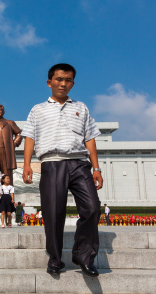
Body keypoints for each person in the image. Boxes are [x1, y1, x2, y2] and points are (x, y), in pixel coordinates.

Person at [22, 63, 103, 278]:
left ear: (73, 84)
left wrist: (96, 168)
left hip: (79, 163)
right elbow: (29, 137)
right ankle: (55, 259)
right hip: (52, 162)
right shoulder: (38, 109)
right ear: (49, 82)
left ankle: (84, 256)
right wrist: (27, 164)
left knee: (93, 208)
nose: (63, 84)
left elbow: (90, 139)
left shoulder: (82, 107)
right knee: (53, 212)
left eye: (68, 80)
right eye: (59, 79)